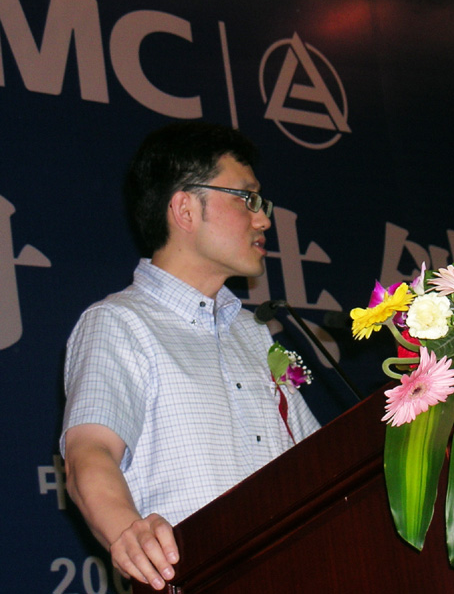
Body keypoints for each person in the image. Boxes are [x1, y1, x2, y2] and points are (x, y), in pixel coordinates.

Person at [60, 122, 320, 590]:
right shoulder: (120, 323)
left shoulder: (254, 332)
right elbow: (89, 454)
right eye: (247, 199)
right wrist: (129, 533)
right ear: (184, 208)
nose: (263, 220)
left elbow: (319, 462)